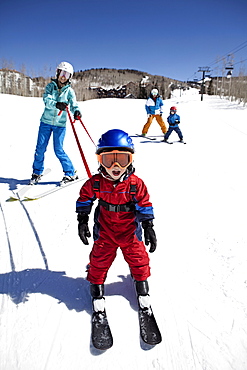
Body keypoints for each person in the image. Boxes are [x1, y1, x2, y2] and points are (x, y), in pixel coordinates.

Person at [76, 129, 157, 316]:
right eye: (108, 159)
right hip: (105, 231)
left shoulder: (135, 184)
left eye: (122, 159)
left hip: (130, 232)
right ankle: (97, 288)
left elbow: (144, 204)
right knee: (98, 260)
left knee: (139, 258)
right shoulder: (95, 183)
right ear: (100, 160)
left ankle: (142, 285)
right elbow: (84, 199)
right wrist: (82, 220)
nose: (115, 166)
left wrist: (148, 226)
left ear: (130, 160)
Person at [30, 61, 82, 185]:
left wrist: (77, 112)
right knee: (40, 149)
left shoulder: (69, 91)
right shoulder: (50, 87)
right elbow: (46, 100)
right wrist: (56, 104)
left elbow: (74, 104)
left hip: (60, 125)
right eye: (62, 73)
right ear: (58, 72)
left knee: (58, 149)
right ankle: (37, 172)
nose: (64, 76)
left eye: (67, 74)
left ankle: (70, 173)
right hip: (46, 123)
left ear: (70, 77)